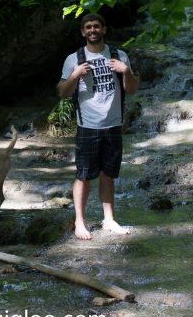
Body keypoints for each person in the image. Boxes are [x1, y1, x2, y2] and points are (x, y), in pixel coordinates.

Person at [57, 13, 139, 240]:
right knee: (83, 175)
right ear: (83, 32)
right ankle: (80, 222)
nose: (93, 30)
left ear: (103, 29)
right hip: (88, 126)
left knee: (108, 173)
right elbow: (63, 93)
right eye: (88, 27)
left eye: (96, 26)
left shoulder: (118, 55)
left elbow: (131, 90)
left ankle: (109, 219)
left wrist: (126, 71)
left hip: (113, 124)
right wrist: (75, 75)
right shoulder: (74, 59)